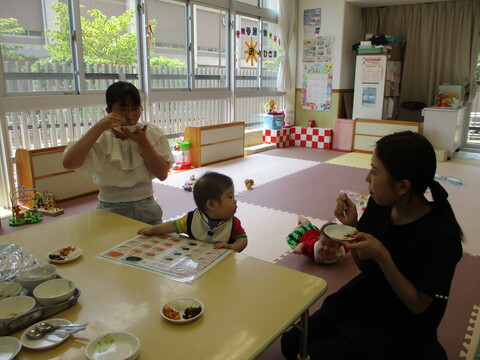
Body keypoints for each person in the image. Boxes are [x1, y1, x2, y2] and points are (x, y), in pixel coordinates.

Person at [281, 131, 463, 360]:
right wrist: (352, 230)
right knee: (290, 345)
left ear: (403, 187)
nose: (367, 178)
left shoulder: (441, 237)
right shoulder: (380, 205)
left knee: (310, 355)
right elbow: (365, 267)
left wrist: (383, 257)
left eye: (375, 172)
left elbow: (418, 305)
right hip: (365, 299)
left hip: (399, 326)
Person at [63, 81, 174, 225]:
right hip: (110, 209)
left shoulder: (151, 132)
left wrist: (143, 142)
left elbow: (162, 174)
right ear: (109, 111)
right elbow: (69, 163)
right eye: (122, 109)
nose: (130, 116)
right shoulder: (101, 137)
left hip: (148, 207)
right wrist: (100, 126)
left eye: (135, 109)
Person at [138, 171, 248, 252]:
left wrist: (232, 248)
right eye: (230, 197)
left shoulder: (233, 224)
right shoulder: (191, 219)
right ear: (211, 204)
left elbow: (243, 240)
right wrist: (153, 229)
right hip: (199, 265)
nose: (235, 201)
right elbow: (171, 225)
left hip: (224, 266)